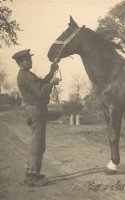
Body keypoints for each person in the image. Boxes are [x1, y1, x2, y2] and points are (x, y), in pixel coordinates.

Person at [12, 49, 60, 186]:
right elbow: (40, 91)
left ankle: (33, 173)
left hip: (35, 110)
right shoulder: (26, 76)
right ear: (22, 62)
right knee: (37, 143)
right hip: (36, 111)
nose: (31, 61)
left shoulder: (27, 74)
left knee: (38, 143)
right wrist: (52, 83)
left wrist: (51, 72)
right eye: (29, 59)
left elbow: (41, 83)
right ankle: (31, 176)